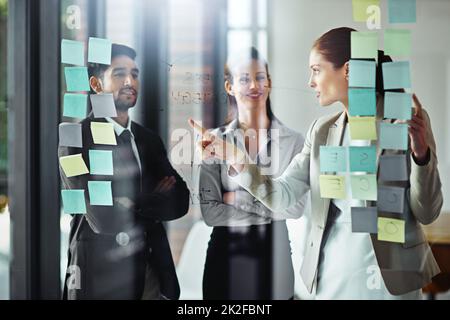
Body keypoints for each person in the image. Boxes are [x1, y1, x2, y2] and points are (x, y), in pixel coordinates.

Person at [190, 28, 443, 299]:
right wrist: (236, 158)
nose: (310, 81)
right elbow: (281, 196)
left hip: (389, 283)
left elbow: (427, 212)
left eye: (316, 70)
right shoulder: (321, 131)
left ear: (347, 70)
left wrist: (420, 155)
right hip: (332, 277)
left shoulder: (403, 121)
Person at [60, 44, 190, 299]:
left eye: (135, 73)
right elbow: (100, 216)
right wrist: (152, 200)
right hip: (100, 276)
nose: (130, 81)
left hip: (152, 275)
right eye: (119, 73)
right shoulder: (74, 139)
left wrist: (124, 200)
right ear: (96, 85)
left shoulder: (148, 140)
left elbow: (180, 201)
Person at [198, 47, 307, 300]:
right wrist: (270, 203)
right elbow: (211, 213)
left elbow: (296, 208)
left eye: (260, 77)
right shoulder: (214, 140)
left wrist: (236, 198)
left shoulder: (294, 141)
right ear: (229, 87)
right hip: (225, 255)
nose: (253, 85)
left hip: (275, 255)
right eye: (244, 79)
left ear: (269, 82)